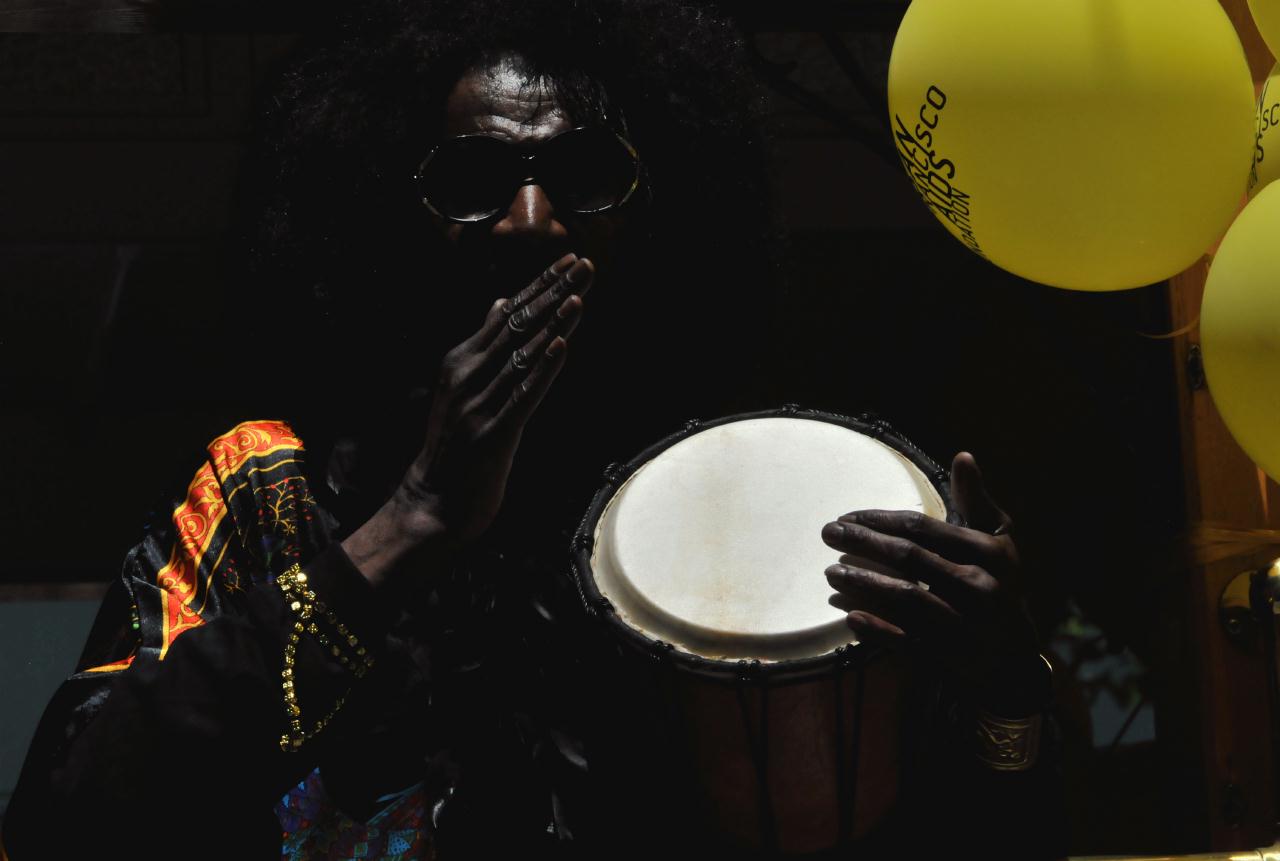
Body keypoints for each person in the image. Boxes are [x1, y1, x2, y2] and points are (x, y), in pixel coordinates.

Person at [2, 2, 1065, 858]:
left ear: (658, 215)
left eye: (586, 175)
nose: (529, 222)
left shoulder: (758, 508)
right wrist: (407, 529)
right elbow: (64, 815)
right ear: (379, 215)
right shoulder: (269, 491)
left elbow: (980, 836)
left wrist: (1001, 680)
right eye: (470, 182)